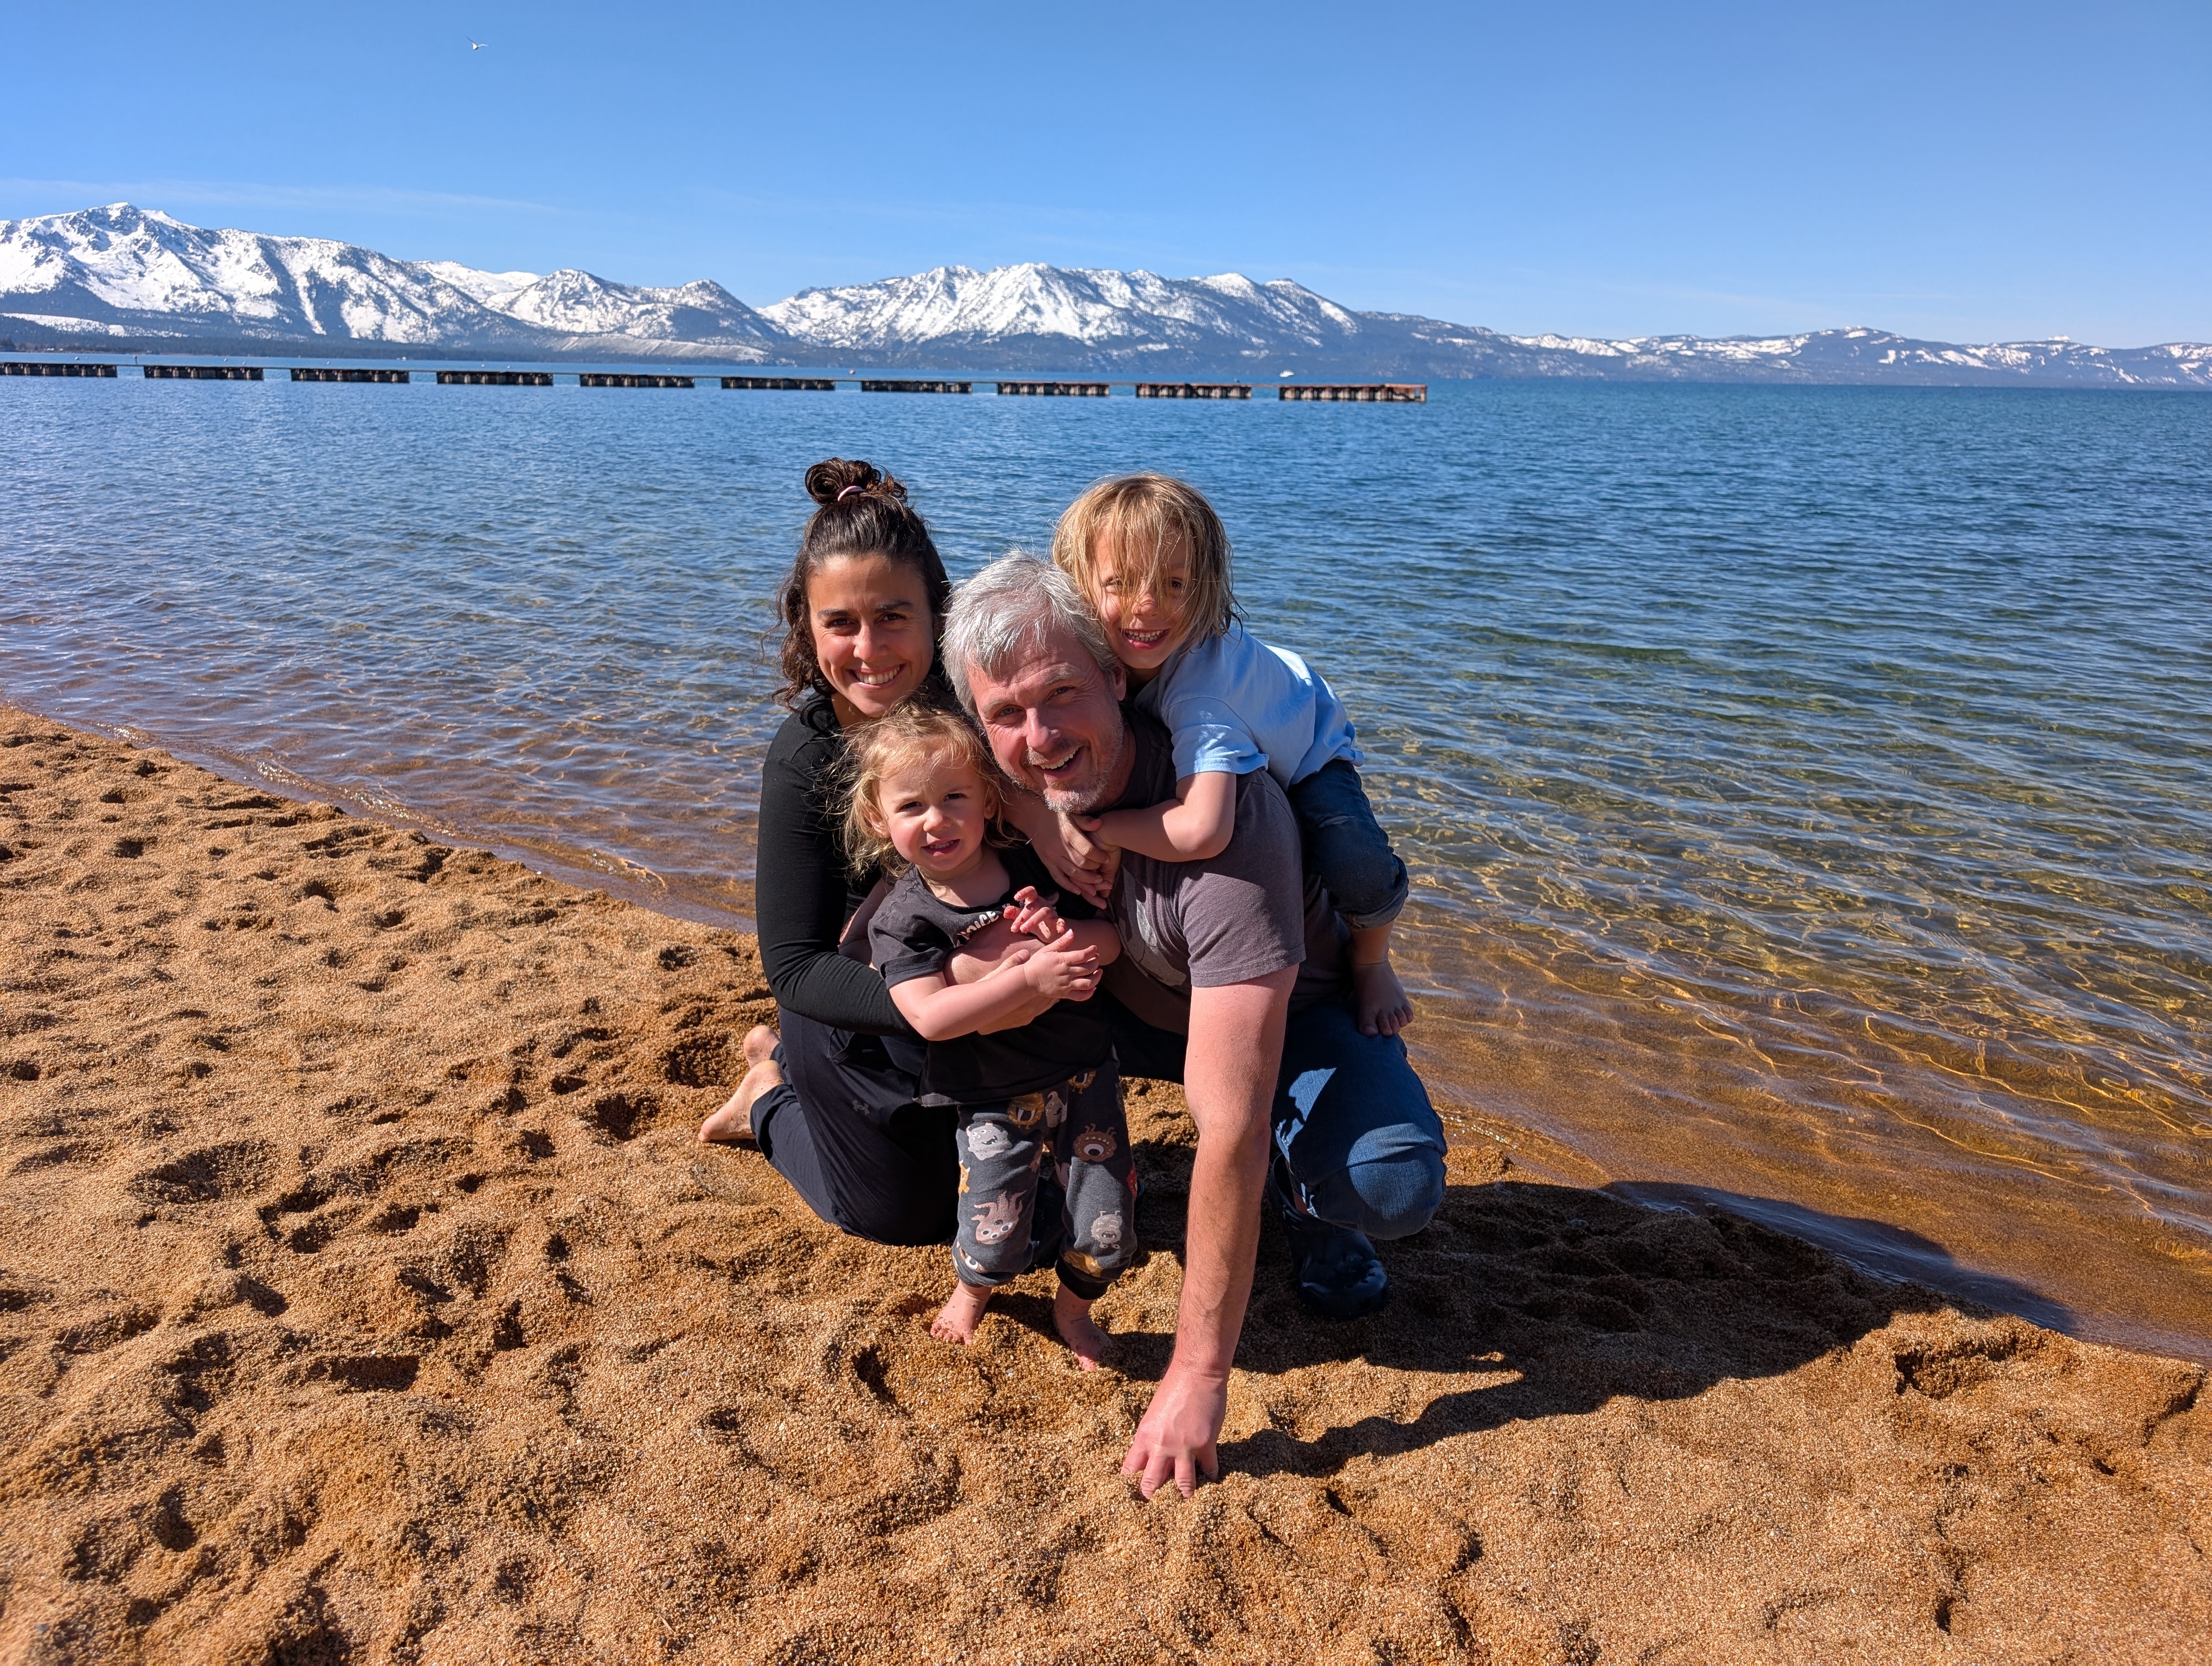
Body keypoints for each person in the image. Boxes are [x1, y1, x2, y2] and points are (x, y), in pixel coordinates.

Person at [940, 552, 1449, 1501]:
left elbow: (1227, 1125)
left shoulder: (1223, 805)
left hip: (1290, 1015)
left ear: (1116, 675)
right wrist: (1047, 822)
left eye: (1062, 695)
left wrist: (1197, 1375)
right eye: (1006, 715)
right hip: (1143, 1005)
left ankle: (1304, 1200)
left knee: (1387, 1180)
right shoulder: (1026, 778)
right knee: (924, 1010)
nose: (1040, 736)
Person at [699, 458, 1052, 1246]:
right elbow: (793, 965)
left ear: (938, 614)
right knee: (902, 1218)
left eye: (894, 616)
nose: (869, 649)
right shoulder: (808, 755)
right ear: (807, 626)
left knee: (1044, 1204)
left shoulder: (983, 719)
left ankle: (781, 1059)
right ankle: (768, 1094)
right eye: (841, 623)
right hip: (864, 1004)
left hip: (993, 988)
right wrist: (940, 996)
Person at [1045, 473, 1413, 1040]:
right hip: (1254, 690)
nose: (1149, 607)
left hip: (1307, 733)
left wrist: (1103, 828)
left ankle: (1370, 962)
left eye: (1175, 584)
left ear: (1208, 583)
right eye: (1120, 583)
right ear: (1078, 581)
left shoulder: (1202, 695)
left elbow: (1203, 831)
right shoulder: (1096, 652)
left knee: (1351, 861)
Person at [843, 703, 1134, 1369]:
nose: (937, 820)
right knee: (994, 1224)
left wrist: (1059, 941)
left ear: (989, 802)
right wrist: (1028, 981)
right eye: (912, 805)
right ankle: (973, 1292)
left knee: (1105, 1220)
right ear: (877, 820)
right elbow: (932, 1017)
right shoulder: (903, 919)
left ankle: (1073, 1309)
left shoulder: (1030, 867)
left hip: (1086, 1069)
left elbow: (1111, 940)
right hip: (991, 1094)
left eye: (954, 798)